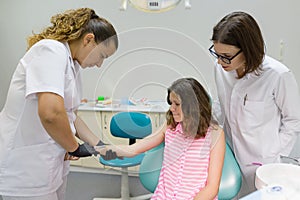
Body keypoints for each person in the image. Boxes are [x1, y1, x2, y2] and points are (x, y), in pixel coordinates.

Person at [0, 8, 119, 200]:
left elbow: (70, 115)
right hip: (26, 167)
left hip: (48, 164)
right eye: (102, 55)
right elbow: (51, 113)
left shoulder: (72, 63)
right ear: (88, 39)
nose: (99, 64)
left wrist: (99, 145)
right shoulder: (50, 50)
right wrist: (74, 147)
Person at [209, 11, 300, 197]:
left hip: (264, 160)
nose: (219, 61)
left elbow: (293, 119)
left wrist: (275, 152)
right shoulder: (221, 69)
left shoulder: (277, 75)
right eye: (216, 54)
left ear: (247, 49)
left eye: (226, 56)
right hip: (231, 154)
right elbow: (222, 106)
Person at [98, 78, 226, 200]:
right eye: (171, 103)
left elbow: (212, 188)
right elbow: (134, 149)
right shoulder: (169, 127)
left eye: (177, 104)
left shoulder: (215, 134)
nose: (171, 108)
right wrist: (101, 148)